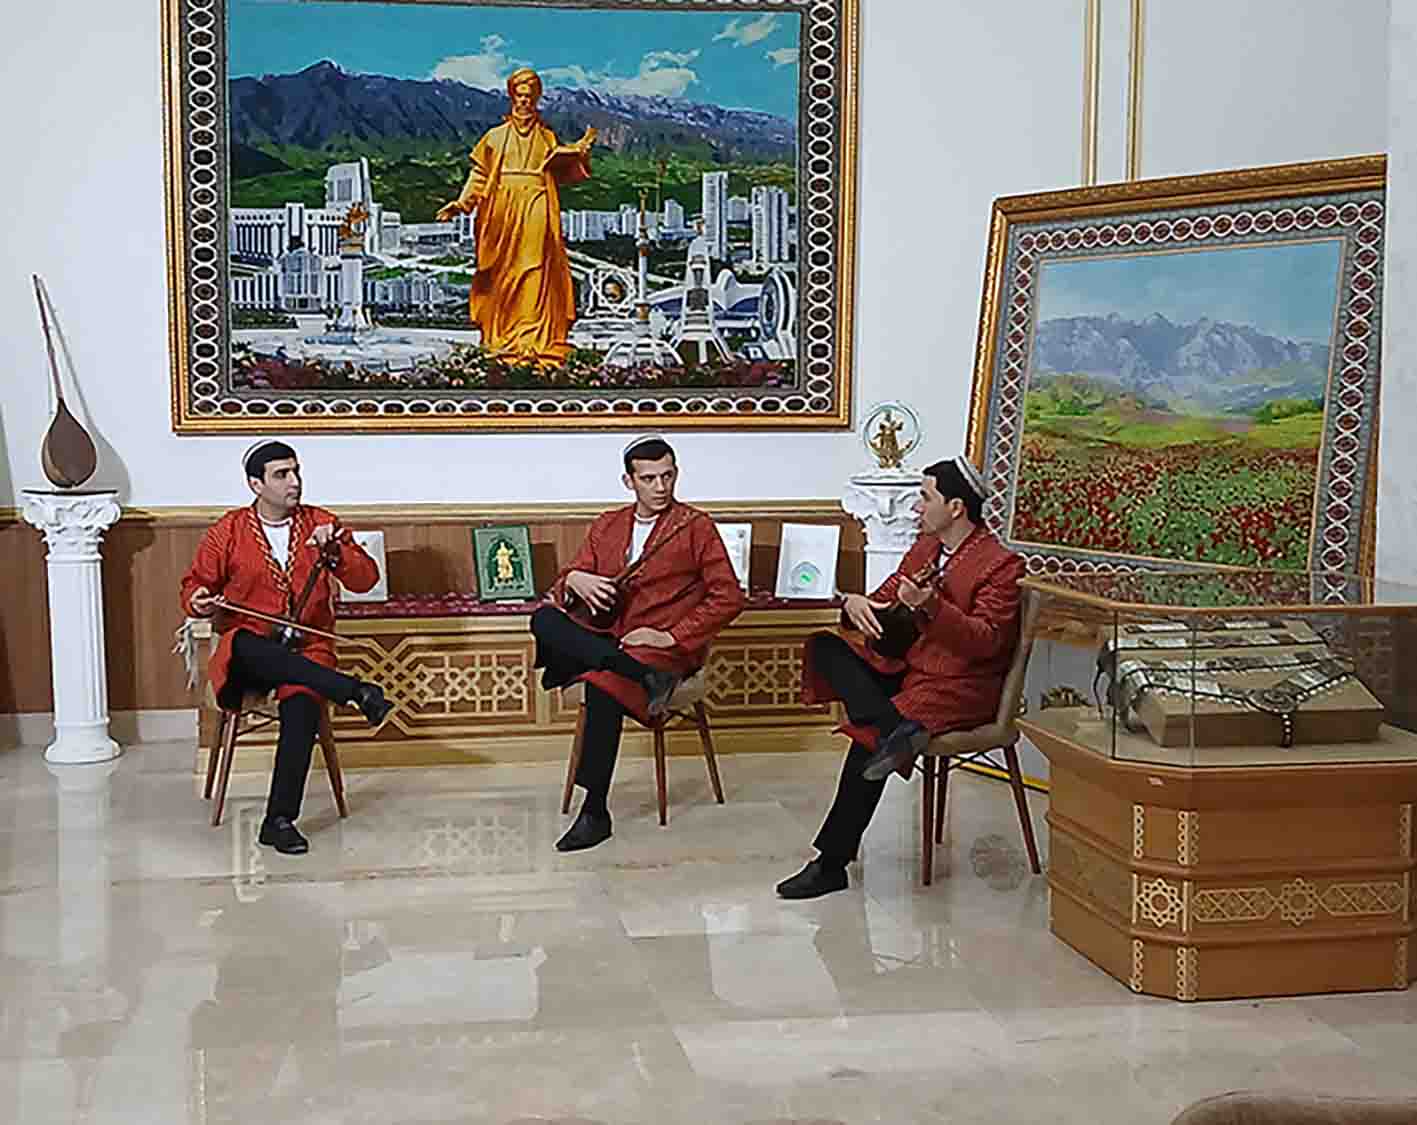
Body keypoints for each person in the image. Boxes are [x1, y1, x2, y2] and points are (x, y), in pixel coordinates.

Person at [776, 456, 1024, 899]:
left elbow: (986, 642)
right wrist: (854, 603)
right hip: (911, 673)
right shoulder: (925, 548)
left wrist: (932, 606)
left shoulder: (1001, 565)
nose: (916, 507)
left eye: (924, 497)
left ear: (955, 507)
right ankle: (895, 729)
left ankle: (831, 864)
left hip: (961, 687)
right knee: (827, 648)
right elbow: (884, 598)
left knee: (867, 738)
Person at [530, 434, 746, 852]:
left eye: (668, 476)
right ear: (629, 481)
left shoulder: (695, 526)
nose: (661, 487)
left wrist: (671, 636)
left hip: (658, 646)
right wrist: (574, 579)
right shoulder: (608, 524)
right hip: (608, 638)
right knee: (543, 619)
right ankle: (637, 674)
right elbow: (565, 588)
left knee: (602, 683)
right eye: (649, 478)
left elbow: (729, 597)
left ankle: (595, 811)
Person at [180, 441, 394, 855]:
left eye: (296, 472)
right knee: (244, 643)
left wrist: (335, 552)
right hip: (248, 655)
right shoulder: (227, 531)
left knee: (302, 704)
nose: (294, 482)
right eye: (281, 474)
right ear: (255, 484)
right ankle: (353, 690)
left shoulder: (322, 523)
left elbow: (365, 579)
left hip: (308, 650)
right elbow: (194, 587)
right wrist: (200, 601)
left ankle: (278, 821)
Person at [435, 67, 595, 368]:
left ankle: (534, 340)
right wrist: (462, 203)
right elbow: (480, 174)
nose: (524, 101)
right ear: (512, 97)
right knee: (503, 272)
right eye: (520, 96)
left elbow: (562, 172)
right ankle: (503, 337)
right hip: (502, 209)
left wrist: (579, 153)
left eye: (529, 96)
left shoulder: (547, 137)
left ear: (536, 99)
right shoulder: (494, 137)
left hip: (536, 202)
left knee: (534, 267)